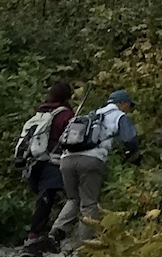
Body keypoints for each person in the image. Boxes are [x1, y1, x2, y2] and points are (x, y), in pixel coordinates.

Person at [51, 89, 137, 247]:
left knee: (73, 199)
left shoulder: (92, 114)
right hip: (90, 160)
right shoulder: (119, 116)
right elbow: (130, 140)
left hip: (67, 160)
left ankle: (56, 231)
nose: (129, 108)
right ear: (122, 103)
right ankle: (86, 245)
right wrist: (131, 156)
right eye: (129, 105)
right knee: (89, 203)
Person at [16, 82, 75, 256]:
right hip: (53, 161)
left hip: (35, 160)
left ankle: (37, 236)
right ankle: (40, 238)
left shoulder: (42, 112)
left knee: (45, 199)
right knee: (63, 197)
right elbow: (69, 138)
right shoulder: (65, 114)